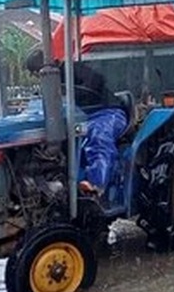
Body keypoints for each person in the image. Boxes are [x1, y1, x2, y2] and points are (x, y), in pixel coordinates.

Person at [25, 48, 127, 197]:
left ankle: (96, 185)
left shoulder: (72, 69)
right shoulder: (49, 86)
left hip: (106, 112)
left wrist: (71, 92)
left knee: (98, 135)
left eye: (38, 73)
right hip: (80, 118)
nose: (39, 77)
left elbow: (97, 80)